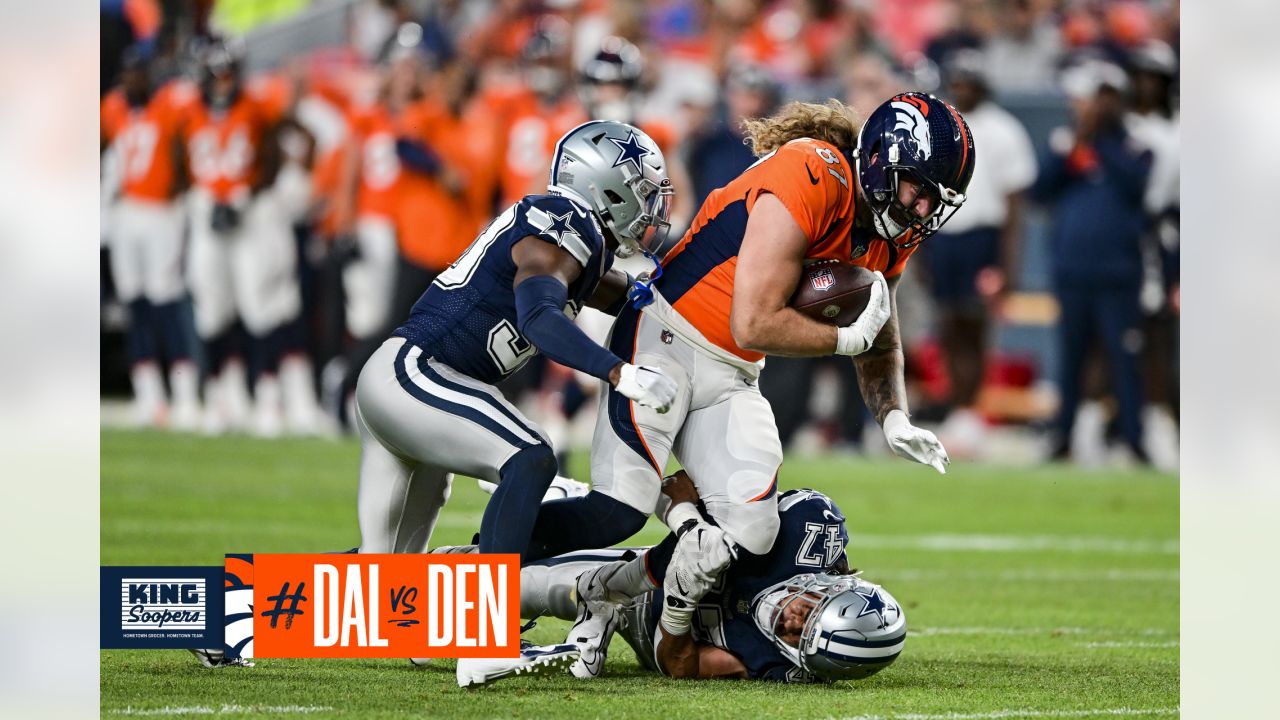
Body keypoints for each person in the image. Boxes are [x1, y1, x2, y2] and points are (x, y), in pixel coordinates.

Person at [520, 94, 976, 573]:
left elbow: (879, 333)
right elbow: (754, 320)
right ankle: (470, 568)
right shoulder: (813, 171)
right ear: (882, 162)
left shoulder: (894, 232)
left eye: (937, 202)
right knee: (616, 514)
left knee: (752, 532)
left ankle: (615, 599)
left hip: (735, 373)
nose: (923, 211)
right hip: (664, 339)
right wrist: (842, 341)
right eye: (917, 190)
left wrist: (894, 419)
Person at [353, 120, 678, 562]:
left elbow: (617, 292)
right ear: (607, 187)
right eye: (642, 191)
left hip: (403, 379)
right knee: (530, 454)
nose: (650, 207)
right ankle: (493, 622)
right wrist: (621, 373)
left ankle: (249, 613)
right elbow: (539, 318)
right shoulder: (565, 223)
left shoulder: (576, 237)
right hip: (418, 375)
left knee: (389, 570)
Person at [458, 471, 906, 685]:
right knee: (490, 574)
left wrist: (679, 607)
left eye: (797, 638)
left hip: (648, 622)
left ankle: (405, 606)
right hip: (647, 567)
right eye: (805, 616)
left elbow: (681, 664)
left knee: (509, 595)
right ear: (827, 587)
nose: (788, 625)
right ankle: (568, 504)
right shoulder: (804, 533)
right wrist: (689, 523)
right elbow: (691, 489)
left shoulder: (784, 665)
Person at [181, 39, 323, 436]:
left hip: (249, 216)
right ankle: (219, 396)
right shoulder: (186, 111)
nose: (223, 83)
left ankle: (266, 397)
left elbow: (291, 139)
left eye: (228, 74)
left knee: (258, 306)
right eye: (216, 75)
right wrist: (195, 196)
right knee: (211, 309)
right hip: (207, 212)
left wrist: (252, 192)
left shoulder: (257, 106)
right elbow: (177, 156)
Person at [1035, 60, 1153, 464]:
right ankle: (1061, 437)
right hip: (1073, 270)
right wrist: (1079, 142)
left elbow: (1136, 184)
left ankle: (1135, 440)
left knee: (1124, 360)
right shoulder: (1069, 143)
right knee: (1070, 360)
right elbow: (1041, 189)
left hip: (1118, 272)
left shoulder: (1135, 141)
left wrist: (1098, 139)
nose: (1083, 108)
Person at [925, 50, 1037, 458]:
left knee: (976, 325)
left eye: (970, 82)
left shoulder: (1004, 130)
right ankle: (959, 406)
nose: (962, 89)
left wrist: (1009, 265)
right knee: (948, 325)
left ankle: (971, 409)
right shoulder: (939, 127)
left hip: (981, 236)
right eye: (958, 81)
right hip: (943, 234)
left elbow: (1014, 205)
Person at [101, 47, 202, 430]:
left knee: (167, 301)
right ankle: (148, 395)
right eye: (127, 74)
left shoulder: (169, 105)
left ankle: (185, 393)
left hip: (162, 213)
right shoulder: (111, 107)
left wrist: (180, 198)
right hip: (127, 213)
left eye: (138, 73)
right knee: (135, 304)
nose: (132, 81)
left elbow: (183, 154)